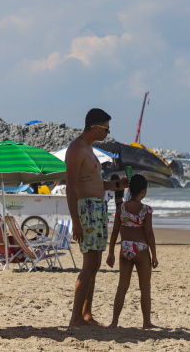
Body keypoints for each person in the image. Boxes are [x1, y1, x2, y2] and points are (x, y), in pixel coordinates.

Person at [65, 108, 127, 328]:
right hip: (87, 209)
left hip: (98, 208)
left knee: (95, 264)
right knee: (89, 264)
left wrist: (119, 185)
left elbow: (97, 185)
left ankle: (86, 314)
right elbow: (70, 188)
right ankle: (75, 318)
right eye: (106, 129)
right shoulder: (76, 149)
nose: (107, 134)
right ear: (94, 127)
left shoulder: (90, 150)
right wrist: (76, 221)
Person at [106, 174, 159, 329]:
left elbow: (115, 231)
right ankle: (146, 323)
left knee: (122, 286)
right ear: (143, 191)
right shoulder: (146, 210)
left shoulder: (121, 208)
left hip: (125, 248)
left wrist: (110, 252)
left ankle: (114, 322)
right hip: (141, 249)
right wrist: (154, 255)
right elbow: (149, 234)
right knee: (145, 288)